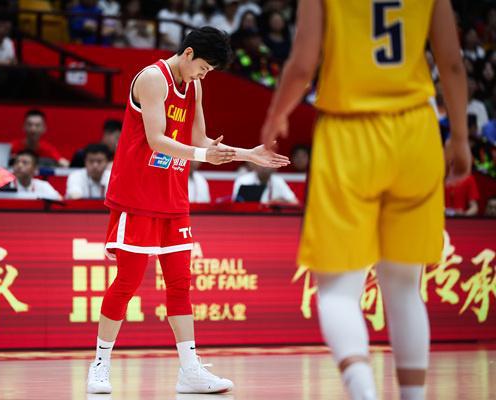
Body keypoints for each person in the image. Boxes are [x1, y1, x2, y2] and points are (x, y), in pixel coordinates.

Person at [261, 0, 471, 399]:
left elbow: (303, 65)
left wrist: (276, 115)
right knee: (405, 287)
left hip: (349, 130)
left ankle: (364, 393)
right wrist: (460, 137)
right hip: (416, 130)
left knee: (338, 289)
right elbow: (452, 63)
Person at [87, 26, 289, 395]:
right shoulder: (153, 79)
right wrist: (203, 155)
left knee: (180, 285)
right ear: (189, 53)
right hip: (137, 195)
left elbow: (200, 141)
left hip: (173, 197)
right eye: (204, 68)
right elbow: (157, 140)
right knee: (128, 282)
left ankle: (190, 370)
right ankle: (100, 365)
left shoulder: (194, 86)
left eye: (209, 72)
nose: (204, 75)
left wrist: (248, 154)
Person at [231, 162, 297, 204]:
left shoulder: (278, 181)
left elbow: (295, 202)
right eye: (261, 163)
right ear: (254, 165)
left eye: (268, 163)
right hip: (248, 217)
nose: (264, 166)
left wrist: (280, 202)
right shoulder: (243, 180)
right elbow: (235, 204)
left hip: (272, 218)